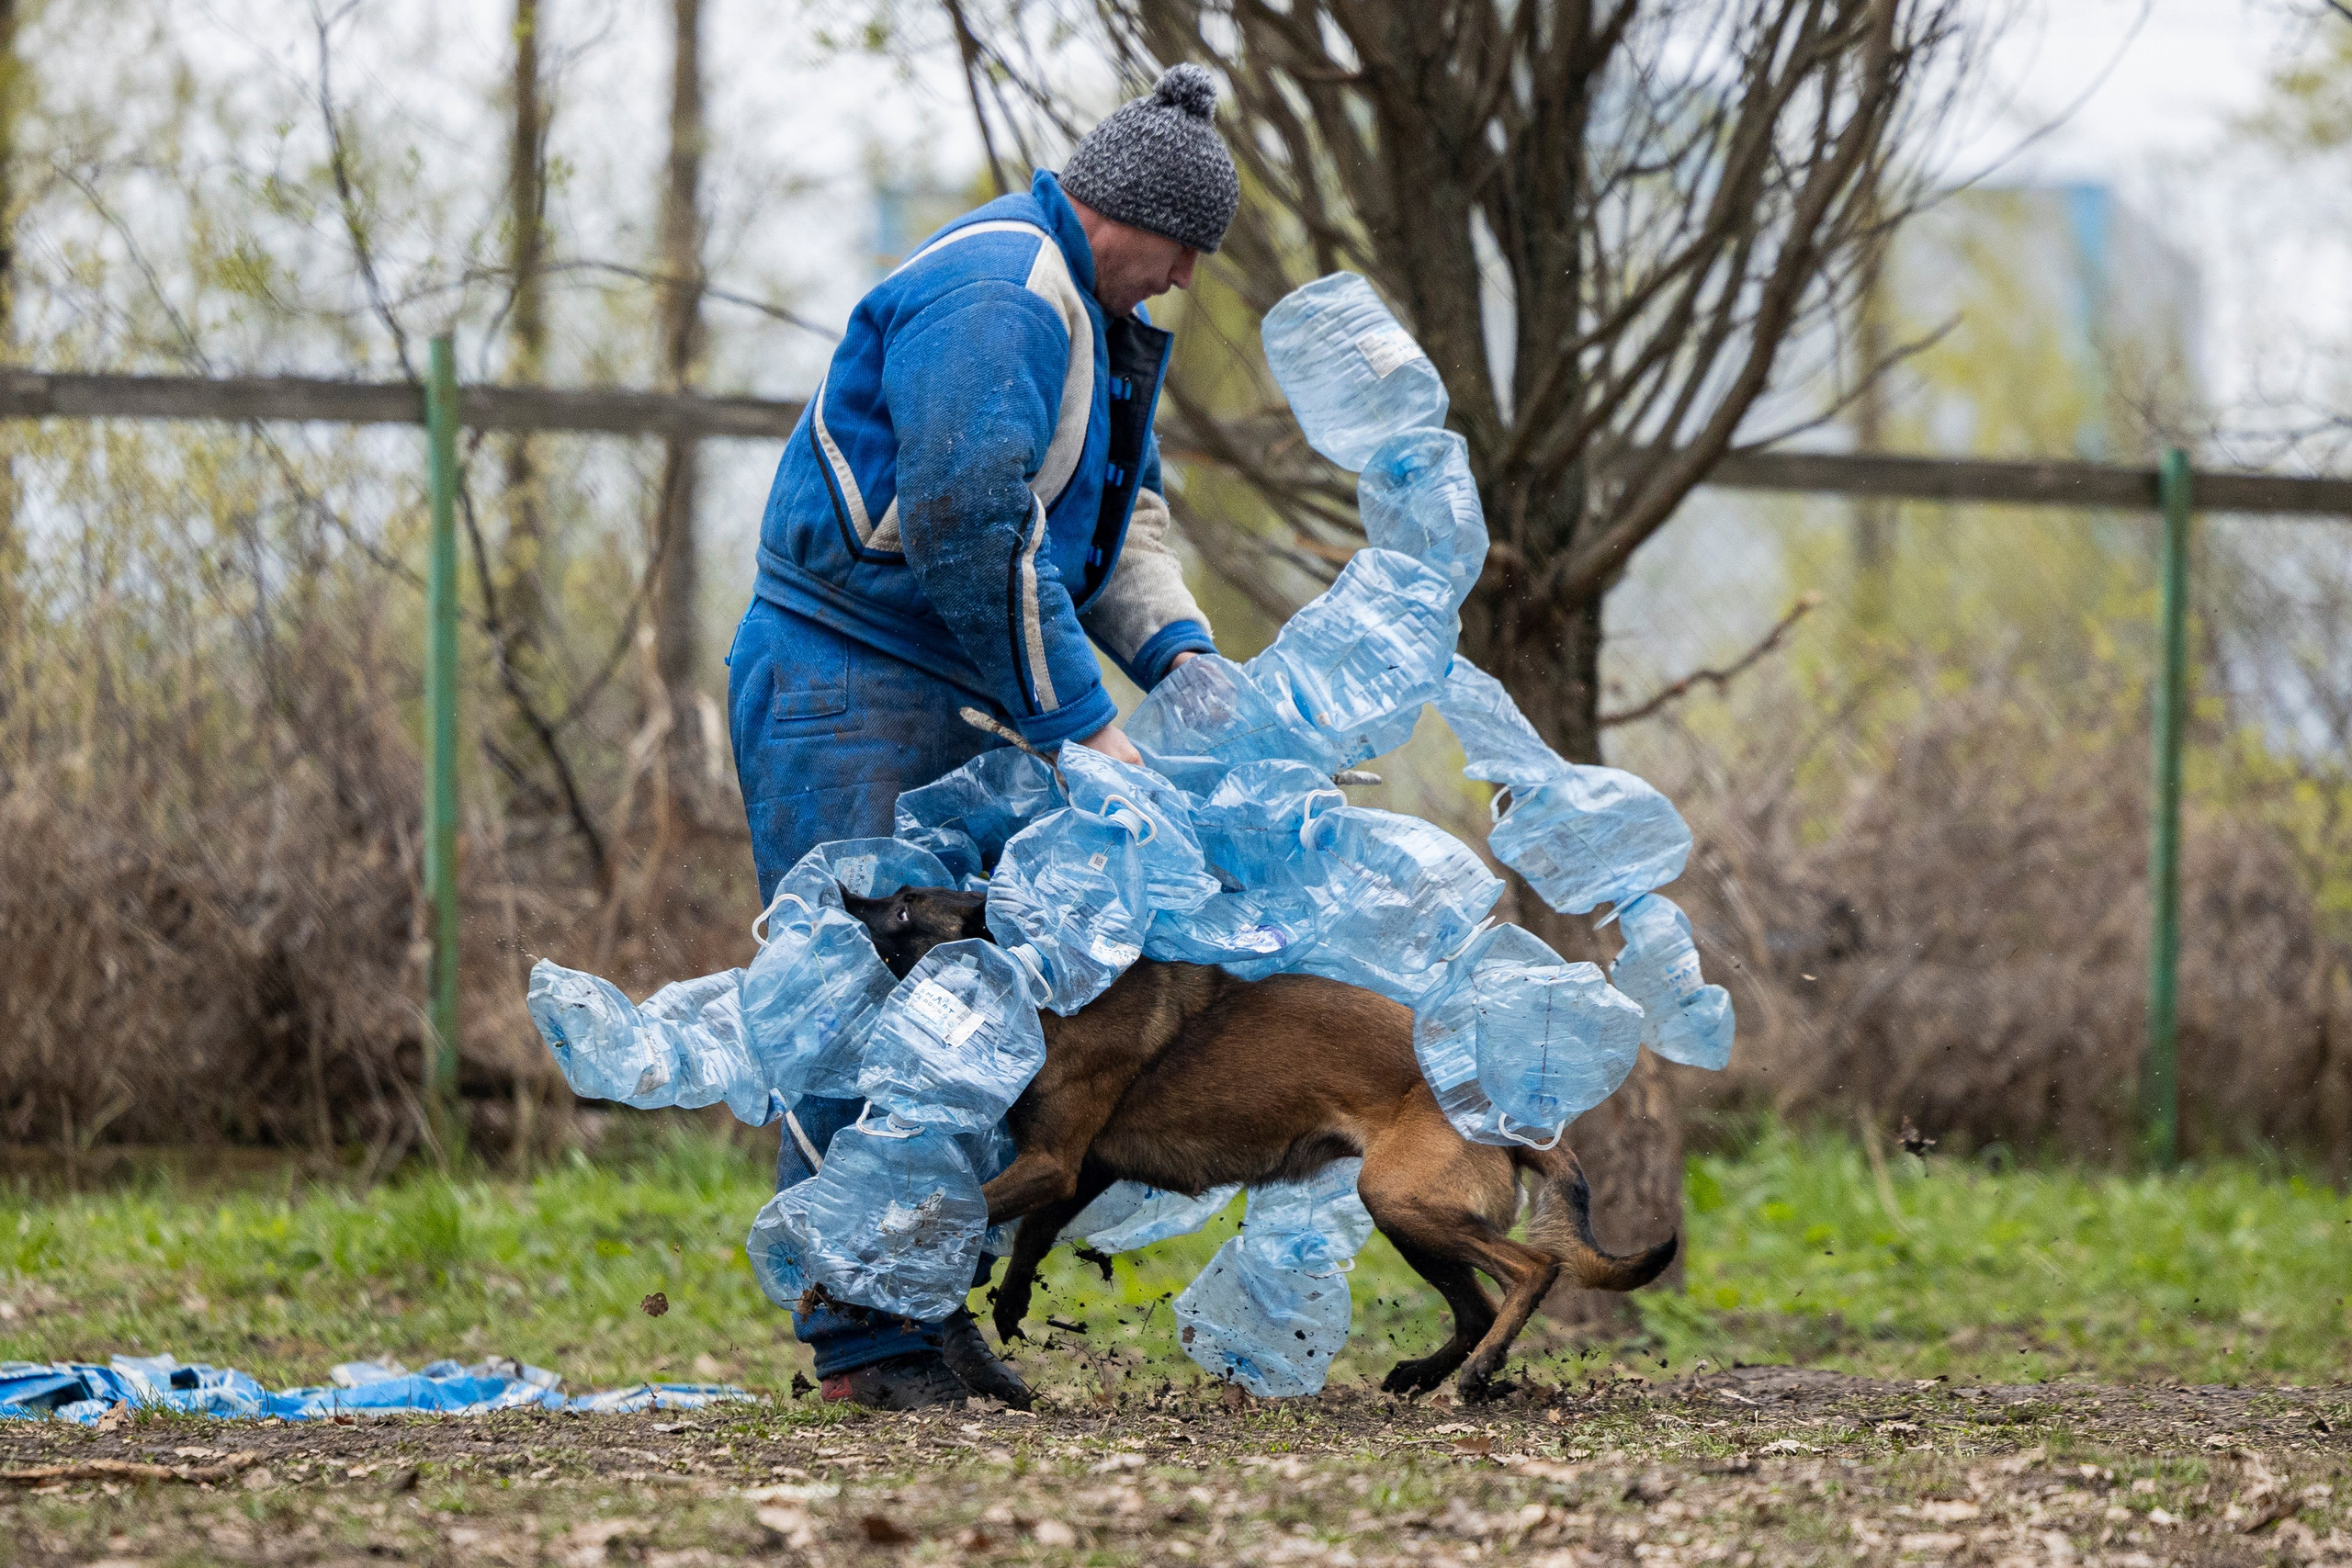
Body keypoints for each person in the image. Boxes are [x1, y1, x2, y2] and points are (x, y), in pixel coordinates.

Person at [725, 63, 1239, 1409]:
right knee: (861, 1005)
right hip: (852, 680)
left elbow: (1114, 518)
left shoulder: (1094, 321)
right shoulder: (1000, 292)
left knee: (963, 1017)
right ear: (1122, 210)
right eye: (1184, 245)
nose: (1187, 276)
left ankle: (919, 1304)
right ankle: (864, 1342)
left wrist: (1180, 658)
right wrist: (1084, 728)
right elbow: (969, 523)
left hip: (948, 688)